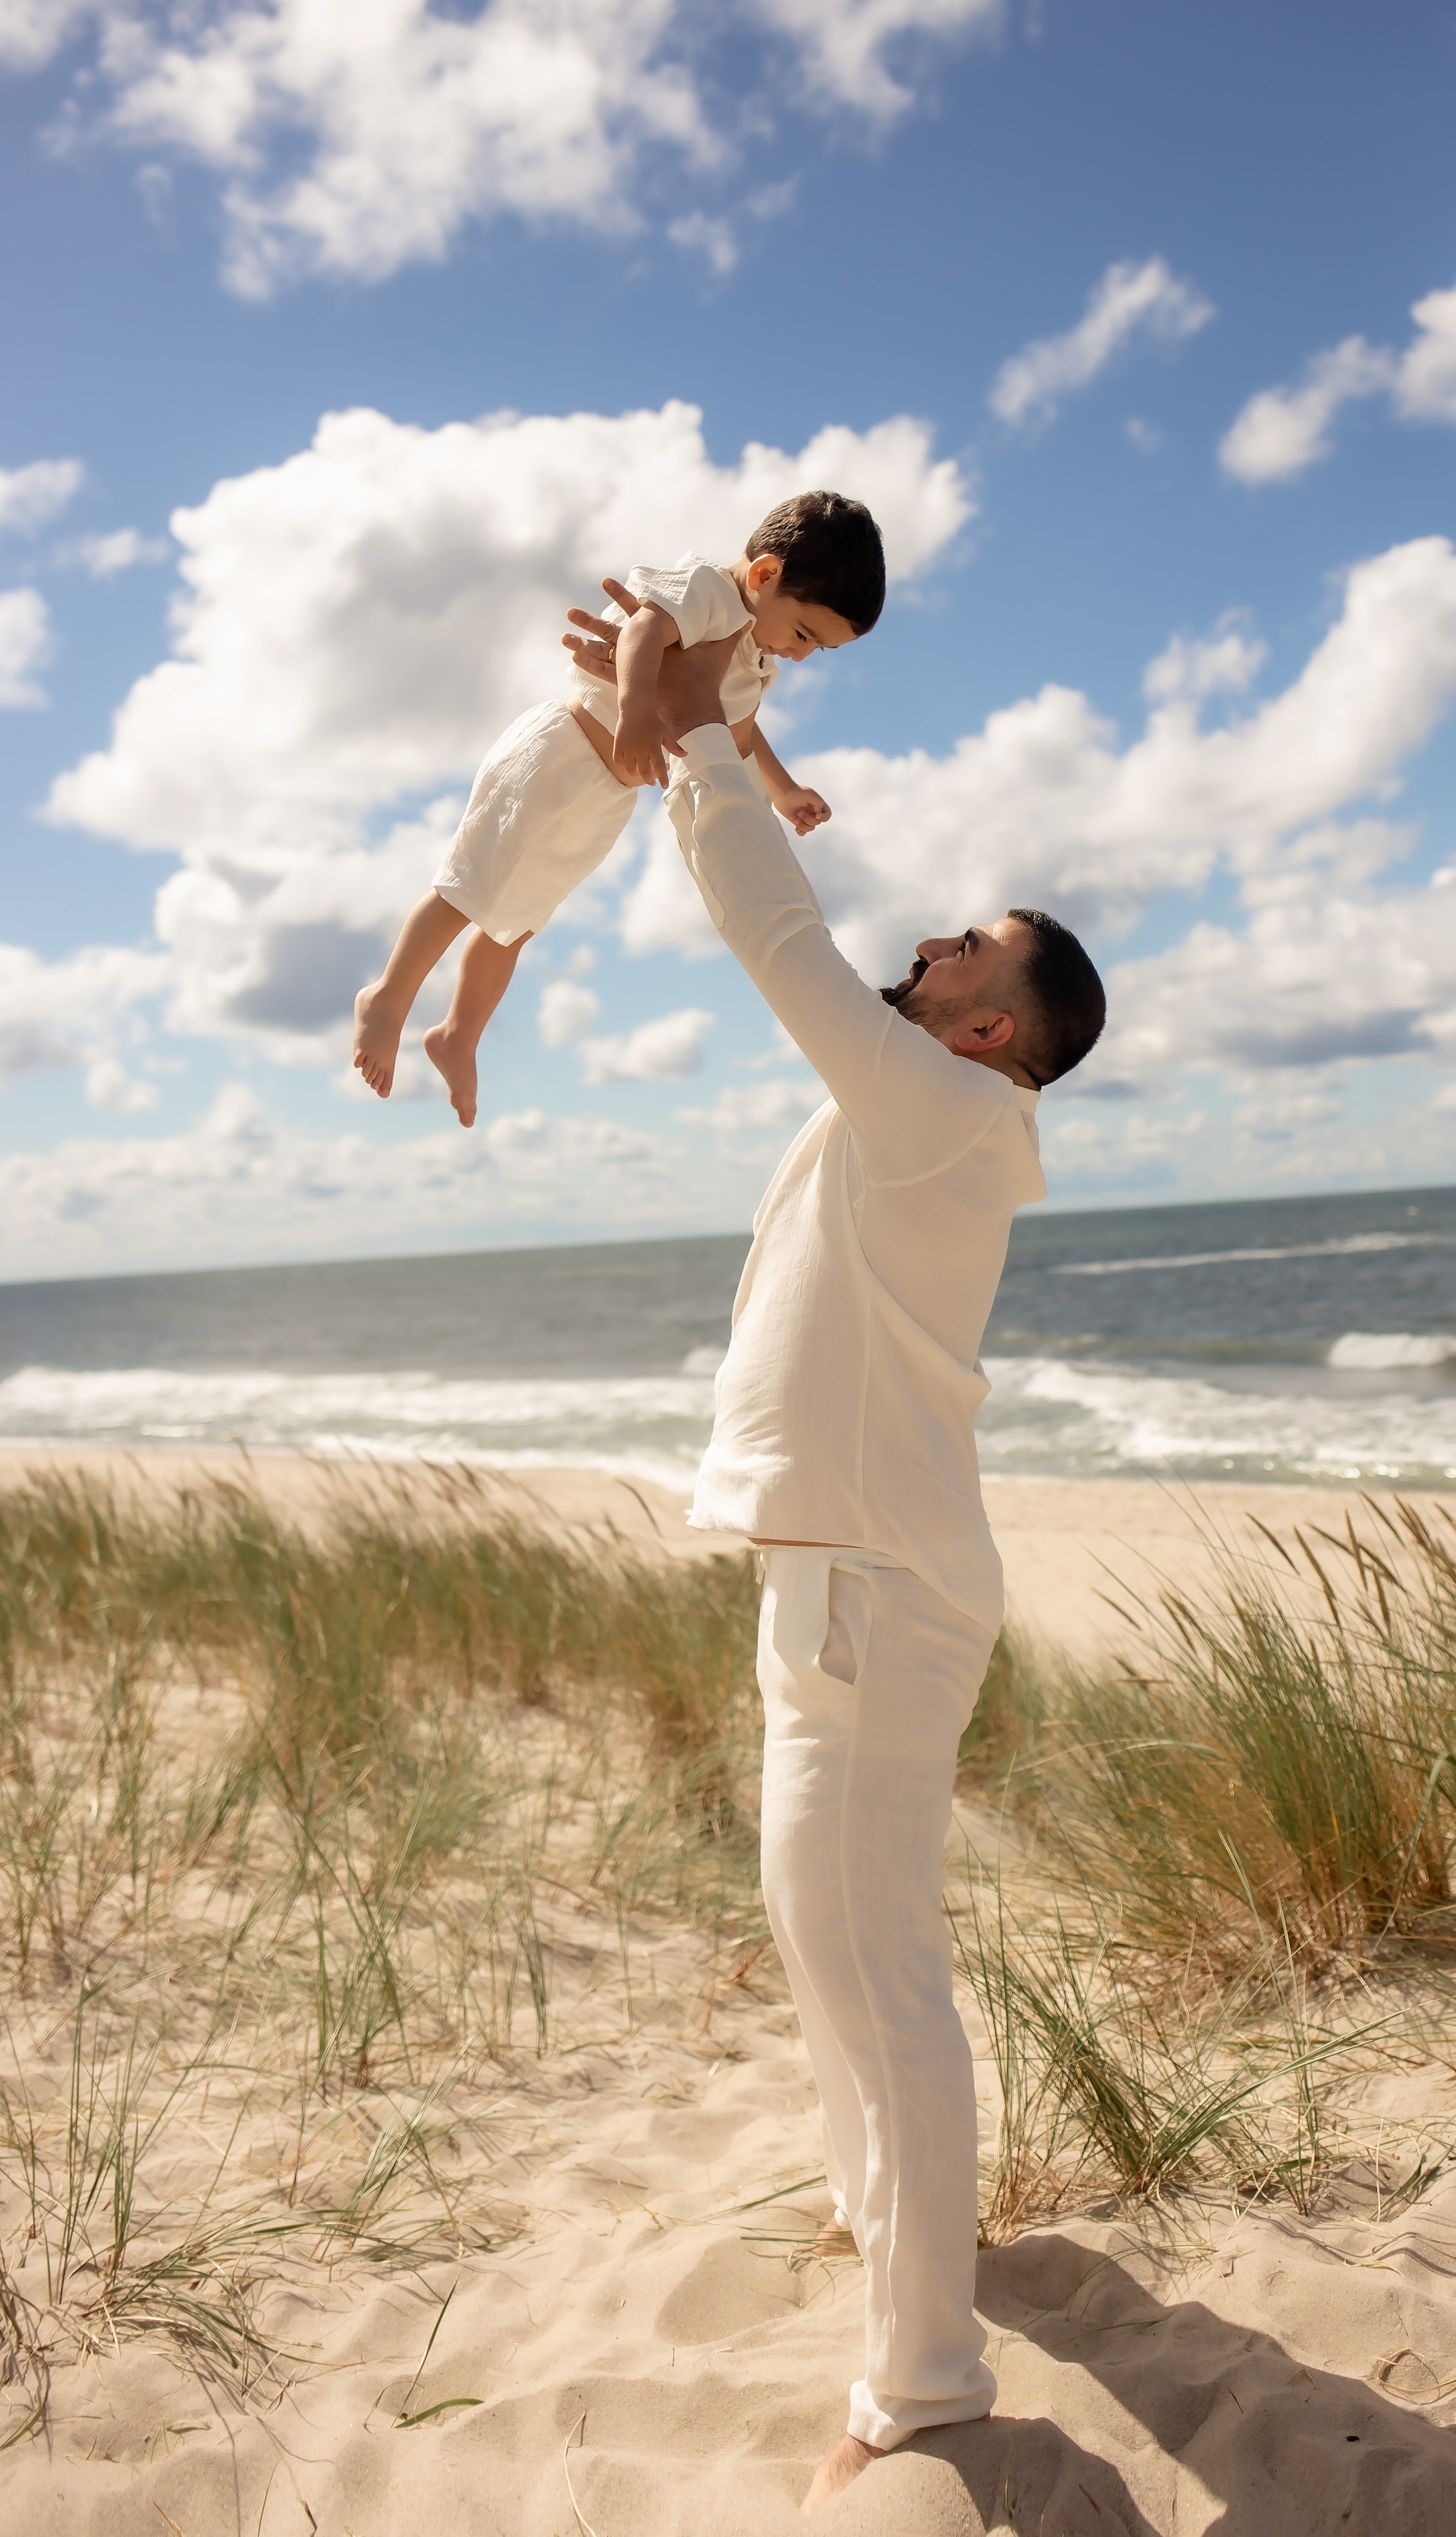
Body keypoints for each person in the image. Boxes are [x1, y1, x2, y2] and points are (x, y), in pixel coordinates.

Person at [561, 590, 1107, 2517]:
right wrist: (678, 721)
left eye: (967, 942)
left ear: (988, 1023)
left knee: (874, 1975)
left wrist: (702, 740)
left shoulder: (946, 1106)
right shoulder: (912, 1113)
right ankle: (916, 2258)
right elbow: (791, 947)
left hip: (872, 1590)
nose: (931, 935)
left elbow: (777, 940)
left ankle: (928, 2380)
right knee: (835, 1960)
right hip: (841, 1579)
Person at [351, 491, 884, 1125]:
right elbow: (643, 630)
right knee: (472, 883)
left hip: (608, 795)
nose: (800, 654)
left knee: (517, 920)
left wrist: (782, 789)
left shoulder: (754, 657)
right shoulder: (711, 591)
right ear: (766, 575)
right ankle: (386, 998)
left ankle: (458, 1034)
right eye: (803, 633)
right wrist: (634, 709)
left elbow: (739, 733)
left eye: (817, 649)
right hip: (564, 751)